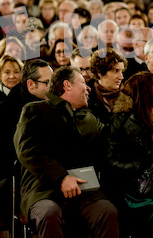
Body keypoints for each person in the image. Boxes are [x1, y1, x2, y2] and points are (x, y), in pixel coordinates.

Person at [14, 66, 119, 238]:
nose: (89, 88)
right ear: (67, 85)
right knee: (49, 214)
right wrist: (61, 178)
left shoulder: (88, 117)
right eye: (83, 82)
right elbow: (27, 151)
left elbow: (111, 139)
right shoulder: (35, 110)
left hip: (84, 190)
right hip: (43, 189)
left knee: (107, 211)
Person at [106, 72, 153, 237]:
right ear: (144, 92)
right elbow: (111, 162)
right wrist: (146, 163)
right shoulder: (121, 120)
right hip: (134, 187)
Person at [0, 59, 53, 172]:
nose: (52, 87)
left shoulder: (56, 103)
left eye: (53, 81)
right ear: (31, 84)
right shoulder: (3, 110)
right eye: (47, 83)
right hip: (20, 174)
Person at [89, 47, 128, 125]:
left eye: (121, 71)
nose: (121, 77)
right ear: (100, 72)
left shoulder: (129, 95)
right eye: (115, 71)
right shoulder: (87, 96)